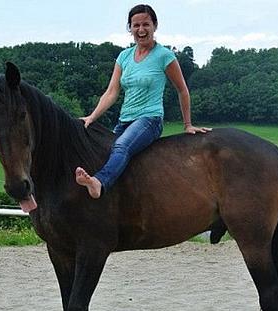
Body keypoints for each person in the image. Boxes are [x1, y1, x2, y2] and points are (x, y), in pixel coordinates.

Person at [76, 4, 211, 199]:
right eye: (135, 25)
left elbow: (182, 89)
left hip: (150, 119)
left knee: (121, 147)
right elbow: (112, 92)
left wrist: (187, 124)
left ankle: (99, 183)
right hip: (124, 120)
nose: (141, 30)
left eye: (146, 24)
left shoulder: (164, 56)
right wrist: (92, 116)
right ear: (129, 28)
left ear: (155, 26)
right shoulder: (124, 56)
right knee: (106, 150)